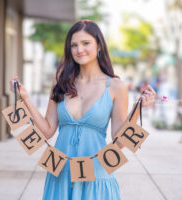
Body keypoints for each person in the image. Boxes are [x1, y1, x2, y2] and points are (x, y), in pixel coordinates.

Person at [10, 20, 156, 200]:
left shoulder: (116, 86)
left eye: (86, 43)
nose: (79, 50)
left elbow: (119, 141)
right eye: (74, 45)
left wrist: (136, 110)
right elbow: (47, 130)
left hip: (97, 176)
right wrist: (25, 99)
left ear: (99, 45)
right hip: (60, 175)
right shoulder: (61, 82)